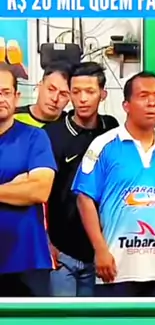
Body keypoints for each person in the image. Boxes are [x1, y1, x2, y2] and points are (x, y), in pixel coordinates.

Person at [73, 71, 155, 297]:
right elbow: (84, 198)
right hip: (115, 269)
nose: (152, 103)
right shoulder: (103, 145)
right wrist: (100, 250)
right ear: (126, 105)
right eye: (143, 96)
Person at [46, 62, 118, 296]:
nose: (83, 99)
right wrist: (46, 242)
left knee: (95, 319)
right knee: (62, 318)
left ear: (103, 94)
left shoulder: (112, 130)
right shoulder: (51, 134)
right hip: (62, 253)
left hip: (102, 253)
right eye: (76, 92)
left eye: (90, 91)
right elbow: (40, 194)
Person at [0, 63, 56, 296]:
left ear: (16, 96)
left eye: (5, 92)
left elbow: (40, 190)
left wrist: (28, 187)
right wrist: (16, 186)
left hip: (28, 260)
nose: (1, 99)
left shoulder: (35, 137)